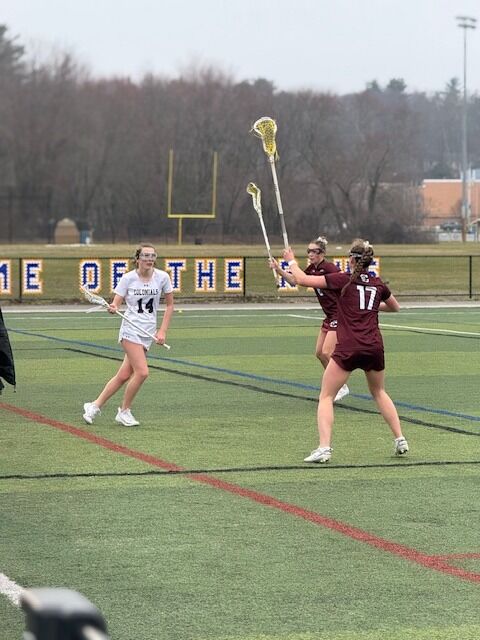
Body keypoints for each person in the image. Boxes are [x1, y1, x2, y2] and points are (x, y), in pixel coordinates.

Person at [283, 238, 409, 463]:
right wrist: (370, 306)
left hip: (349, 347)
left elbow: (301, 279)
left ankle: (324, 448)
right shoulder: (377, 283)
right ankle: (400, 439)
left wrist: (291, 261)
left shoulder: (343, 280)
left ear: (351, 259)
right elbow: (395, 307)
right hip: (374, 347)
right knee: (379, 392)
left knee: (326, 396)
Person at [83, 243, 174, 427]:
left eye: (153, 256)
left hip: (148, 332)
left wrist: (162, 330)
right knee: (142, 372)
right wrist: (113, 307)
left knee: (124, 375)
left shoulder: (163, 277)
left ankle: (94, 405)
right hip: (130, 330)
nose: (149, 259)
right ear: (137, 259)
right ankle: (124, 411)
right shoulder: (128, 278)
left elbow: (170, 305)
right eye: (146, 255)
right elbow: (116, 303)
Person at [270, 236, 349, 402]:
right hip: (329, 316)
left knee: (328, 352)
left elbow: (345, 285)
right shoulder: (312, 268)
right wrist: (278, 269)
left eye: (314, 251)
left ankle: (339, 385)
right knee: (320, 353)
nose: (311, 254)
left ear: (322, 253)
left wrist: (291, 261)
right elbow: (295, 281)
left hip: (339, 314)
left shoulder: (330, 268)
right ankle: (340, 386)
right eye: (309, 251)